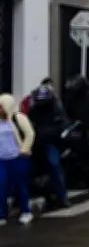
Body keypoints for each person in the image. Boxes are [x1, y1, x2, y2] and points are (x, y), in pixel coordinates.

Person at [26, 85, 70, 208]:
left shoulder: (56, 110)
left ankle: (62, 196)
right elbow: (28, 124)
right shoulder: (33, 111)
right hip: (34, 143)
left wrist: (48, 132)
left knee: (54, 164)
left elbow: (62, 124)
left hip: (50, 143)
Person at [0, 93, 35, 225]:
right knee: (1, 187)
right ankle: (2, 214)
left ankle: (25, 211)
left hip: (17, 157)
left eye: (2, 107)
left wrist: (25, 149)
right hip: (1, 159)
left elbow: (29, 133)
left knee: (20, 186)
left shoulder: (17, 117)